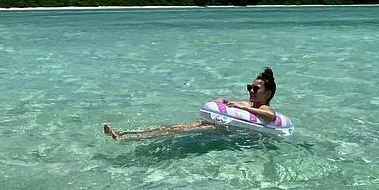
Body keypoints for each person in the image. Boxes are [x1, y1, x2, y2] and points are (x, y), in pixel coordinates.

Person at [104, 67, 277, 141]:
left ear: (267, 93)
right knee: (173, 127)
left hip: (220, 131)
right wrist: (222, 102)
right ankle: (124, 134)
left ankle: (126, 137)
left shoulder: (263, 107)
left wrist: (244, 107)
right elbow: (230, 103)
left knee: (175, 130)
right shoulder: (247, 104)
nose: (251, 91)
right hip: (215, 127)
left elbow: (271, 116)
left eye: (255, 88)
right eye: (250, 87)